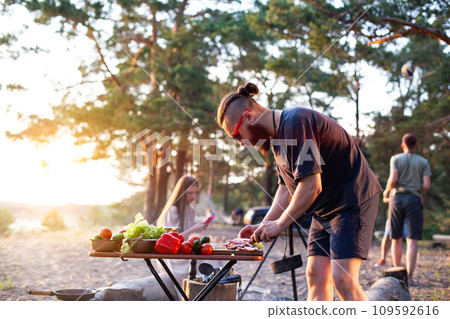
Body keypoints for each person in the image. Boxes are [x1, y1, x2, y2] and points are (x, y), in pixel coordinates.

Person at [216, 82, 382, 301]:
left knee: (343, 280)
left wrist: (280, 224)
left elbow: (312, 186)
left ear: (248, 116)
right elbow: (286, 190)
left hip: (351, 202)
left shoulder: (296, 122)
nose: (239, 143)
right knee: (316, 276)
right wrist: (263, 225)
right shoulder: (276, 142)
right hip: (324, 210)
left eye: (236, 136)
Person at [383, 133, 431, 283]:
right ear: (416, 146)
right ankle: (409, 278)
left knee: (395, 238)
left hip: (397, 198)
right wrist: (416, 188)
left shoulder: (396, 159)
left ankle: (398, 276)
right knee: (412, 240)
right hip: (414, 199)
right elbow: (427, 185)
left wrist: (386, 191)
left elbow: (393, 178)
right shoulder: (423, 162)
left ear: (403, 145)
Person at [156, 176, 209, 283]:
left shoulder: (190, 209)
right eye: (190, 193)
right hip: (173, 256)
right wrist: (193, 229)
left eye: (195, 192)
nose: (193, 196)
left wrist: (200, 226)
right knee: (207, 258)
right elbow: (170, 240)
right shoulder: (173, 210)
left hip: (184, 250)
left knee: (213, 251)